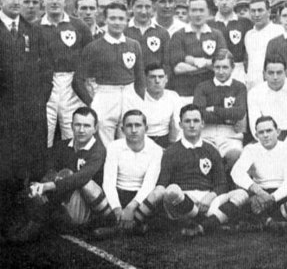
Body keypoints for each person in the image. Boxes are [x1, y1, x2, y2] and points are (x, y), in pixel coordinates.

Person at [0, 0, 53, 242]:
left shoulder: (33, 32)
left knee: (25, 167)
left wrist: (37, 104)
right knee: (3, 170)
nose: (16, 2)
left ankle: (20, 221)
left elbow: (46, 73)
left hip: (30, 115)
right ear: (1, 0)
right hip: (3, 117)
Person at [9, 107, 109, 242]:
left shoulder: (98, 151)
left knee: (76, 178)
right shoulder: (62, 146)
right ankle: (30, 224)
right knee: (49, 177)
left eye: (86, 126)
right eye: (77, 125)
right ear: (71, 125)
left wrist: (48, 186)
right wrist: (39, 185)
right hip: (65, 199)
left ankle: (99, 223)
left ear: (95, 128)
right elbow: (47, 167)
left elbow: (81, 178)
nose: (81, 130)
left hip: (87, 206)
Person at [139, 104, 228, 237]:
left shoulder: (211, 150)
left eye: (196, 121)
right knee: (172, 190)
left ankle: (199, 225)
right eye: (187, 121)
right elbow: (163, 183)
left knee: (240, 194)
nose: (192, 125)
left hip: (207, 201)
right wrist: (185, 198)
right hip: (182, 200)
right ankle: (210, 223)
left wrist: (210, 196)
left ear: (202, 124)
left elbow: (222, 183)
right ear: (180, 124)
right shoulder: (171, 151)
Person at [199, 116, 287, 232]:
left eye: (269, 130)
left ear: (278, 132)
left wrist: (272, 198)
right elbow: (236, 172)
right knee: (242, 201)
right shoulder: (251, 149)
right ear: (256, 135)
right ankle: (203, 227)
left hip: (282, 194)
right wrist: (259, 191)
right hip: (260, 194)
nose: (265, 135)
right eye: (261, 132)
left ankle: (264, 221)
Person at [77, 1, 146, 147]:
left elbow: (140, 77)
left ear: (127, 20)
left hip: (129, 94)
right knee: (105, 142)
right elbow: (78, 80)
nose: (117, 22)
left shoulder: (133, 45)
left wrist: (139, 98)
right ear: (105, 20)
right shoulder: (94, 47)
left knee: (130, 140)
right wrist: (92, 103)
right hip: (106, 95)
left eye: (121, 18)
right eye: (113, 18)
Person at [38, 0, 93, 147]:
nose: (54, 1)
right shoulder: (35, 27)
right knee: (44, 131)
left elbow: (89, 57)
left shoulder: (79, 26)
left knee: (73, 131)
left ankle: (71, 169)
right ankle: (45, 171)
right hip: (45, 84)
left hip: (72, 84)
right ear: (43, 0)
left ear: (65, 0)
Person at [93, 110, 163, 238]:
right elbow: (108, 182)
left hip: (140, 200)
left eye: (138, 125)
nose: (134, 130)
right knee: (91, 188)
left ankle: (116, 228)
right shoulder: (113, 147)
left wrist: (131, 207)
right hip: (117, 196)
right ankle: (133, 226)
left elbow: (149, 184)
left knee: (159, 191)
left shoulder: (156, 150)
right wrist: (117, 208)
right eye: (129, 126)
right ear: (122, 129)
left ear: (146, 128)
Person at [248, 56, 287, 188]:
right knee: (248, 153)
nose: (275, 77)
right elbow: (254, 126)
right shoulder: (254, 92)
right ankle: (254, 195)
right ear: (264, 74)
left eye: (279, 72)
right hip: (264, 134)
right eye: (270, 73)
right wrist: (267, 142)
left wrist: (283, 146)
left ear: (286, 72)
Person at [193, 49, 247, 171]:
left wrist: (214, 109)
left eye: (225, 67)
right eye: (217, 67)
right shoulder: (202, 87)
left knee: (235, 156)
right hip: (207, 133)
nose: (221, 72)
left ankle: (230, 187)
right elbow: (200, 114)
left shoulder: (239, 87)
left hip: (230, 134)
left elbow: (239, 112)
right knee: (202, 157)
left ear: (232, 68)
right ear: (212, 67)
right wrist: (228, 117)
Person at [168, 0, 226, 104]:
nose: (198, 14)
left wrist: (192, 61)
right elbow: (178, 68)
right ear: (189, 13)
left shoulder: (216, 35)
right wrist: (207, 64)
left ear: (208, 12)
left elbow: (222, 64)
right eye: (194, 10)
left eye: (201, 10)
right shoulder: (178, 35)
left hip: (211, 92)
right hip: (184, 92)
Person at [207, 0, 253, 83]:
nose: (224, 2)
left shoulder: (245, 23)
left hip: (238, 71)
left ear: (235, 1)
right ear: (215, 1)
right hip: (214, 71)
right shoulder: (208, 24)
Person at [244, 0, 284, 90]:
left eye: (260, 10)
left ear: (269, 12)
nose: (256, 14)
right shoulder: (248, 35)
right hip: (252, 87)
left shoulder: (279, 31)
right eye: (253, 11)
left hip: (274, 86)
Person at [125, 0, 171, 70]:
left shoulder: (162, 33)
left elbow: (167, 63)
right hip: (129, 80)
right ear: (132, 7)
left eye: (147, 7)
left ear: (153, 8)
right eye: (139, 7)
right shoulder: (123, 31)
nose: (143, 11)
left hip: (154, 80)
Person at [143, 63, 181, 148]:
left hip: (165, 141)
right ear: (146, 79)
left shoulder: (173, 96)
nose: (157, 81)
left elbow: (177, 125)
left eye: (161, 77)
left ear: (166, 79)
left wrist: (172, 147)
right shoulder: (137, 97)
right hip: (143, 142)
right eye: (153, 77)